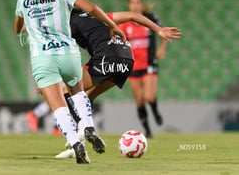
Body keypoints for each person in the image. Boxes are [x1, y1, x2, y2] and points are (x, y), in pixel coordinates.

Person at [14, 0, 126, 164]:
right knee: (78, 93)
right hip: (68, 54)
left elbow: (17, 27)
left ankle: (76, 143)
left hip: (43, 58)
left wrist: (30, 24)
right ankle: (89, 126)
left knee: (58, 107)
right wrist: (112, 25)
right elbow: (91, 8)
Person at [55, 8, 181, 159]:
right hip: (127, 60)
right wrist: (158, 29)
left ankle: (83, 134)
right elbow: (132, 15)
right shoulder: (99, 16)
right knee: (86, 98)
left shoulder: (65, 25)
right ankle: (81, 139)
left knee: (66, 92)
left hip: (107, 57)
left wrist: (49, 77)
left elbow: (63, 54)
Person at [119, 0, 169, 138]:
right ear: (129, 5)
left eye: (137, 2)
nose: (135, 5)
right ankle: (147, 130)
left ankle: (155, 111)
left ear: (141, 4)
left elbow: (163, 31)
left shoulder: (150, 19)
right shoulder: (125, 24)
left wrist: (161, 48)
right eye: (132, 3)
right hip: (133, 66)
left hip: (149, 63)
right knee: (139, 101)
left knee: (149, 97)